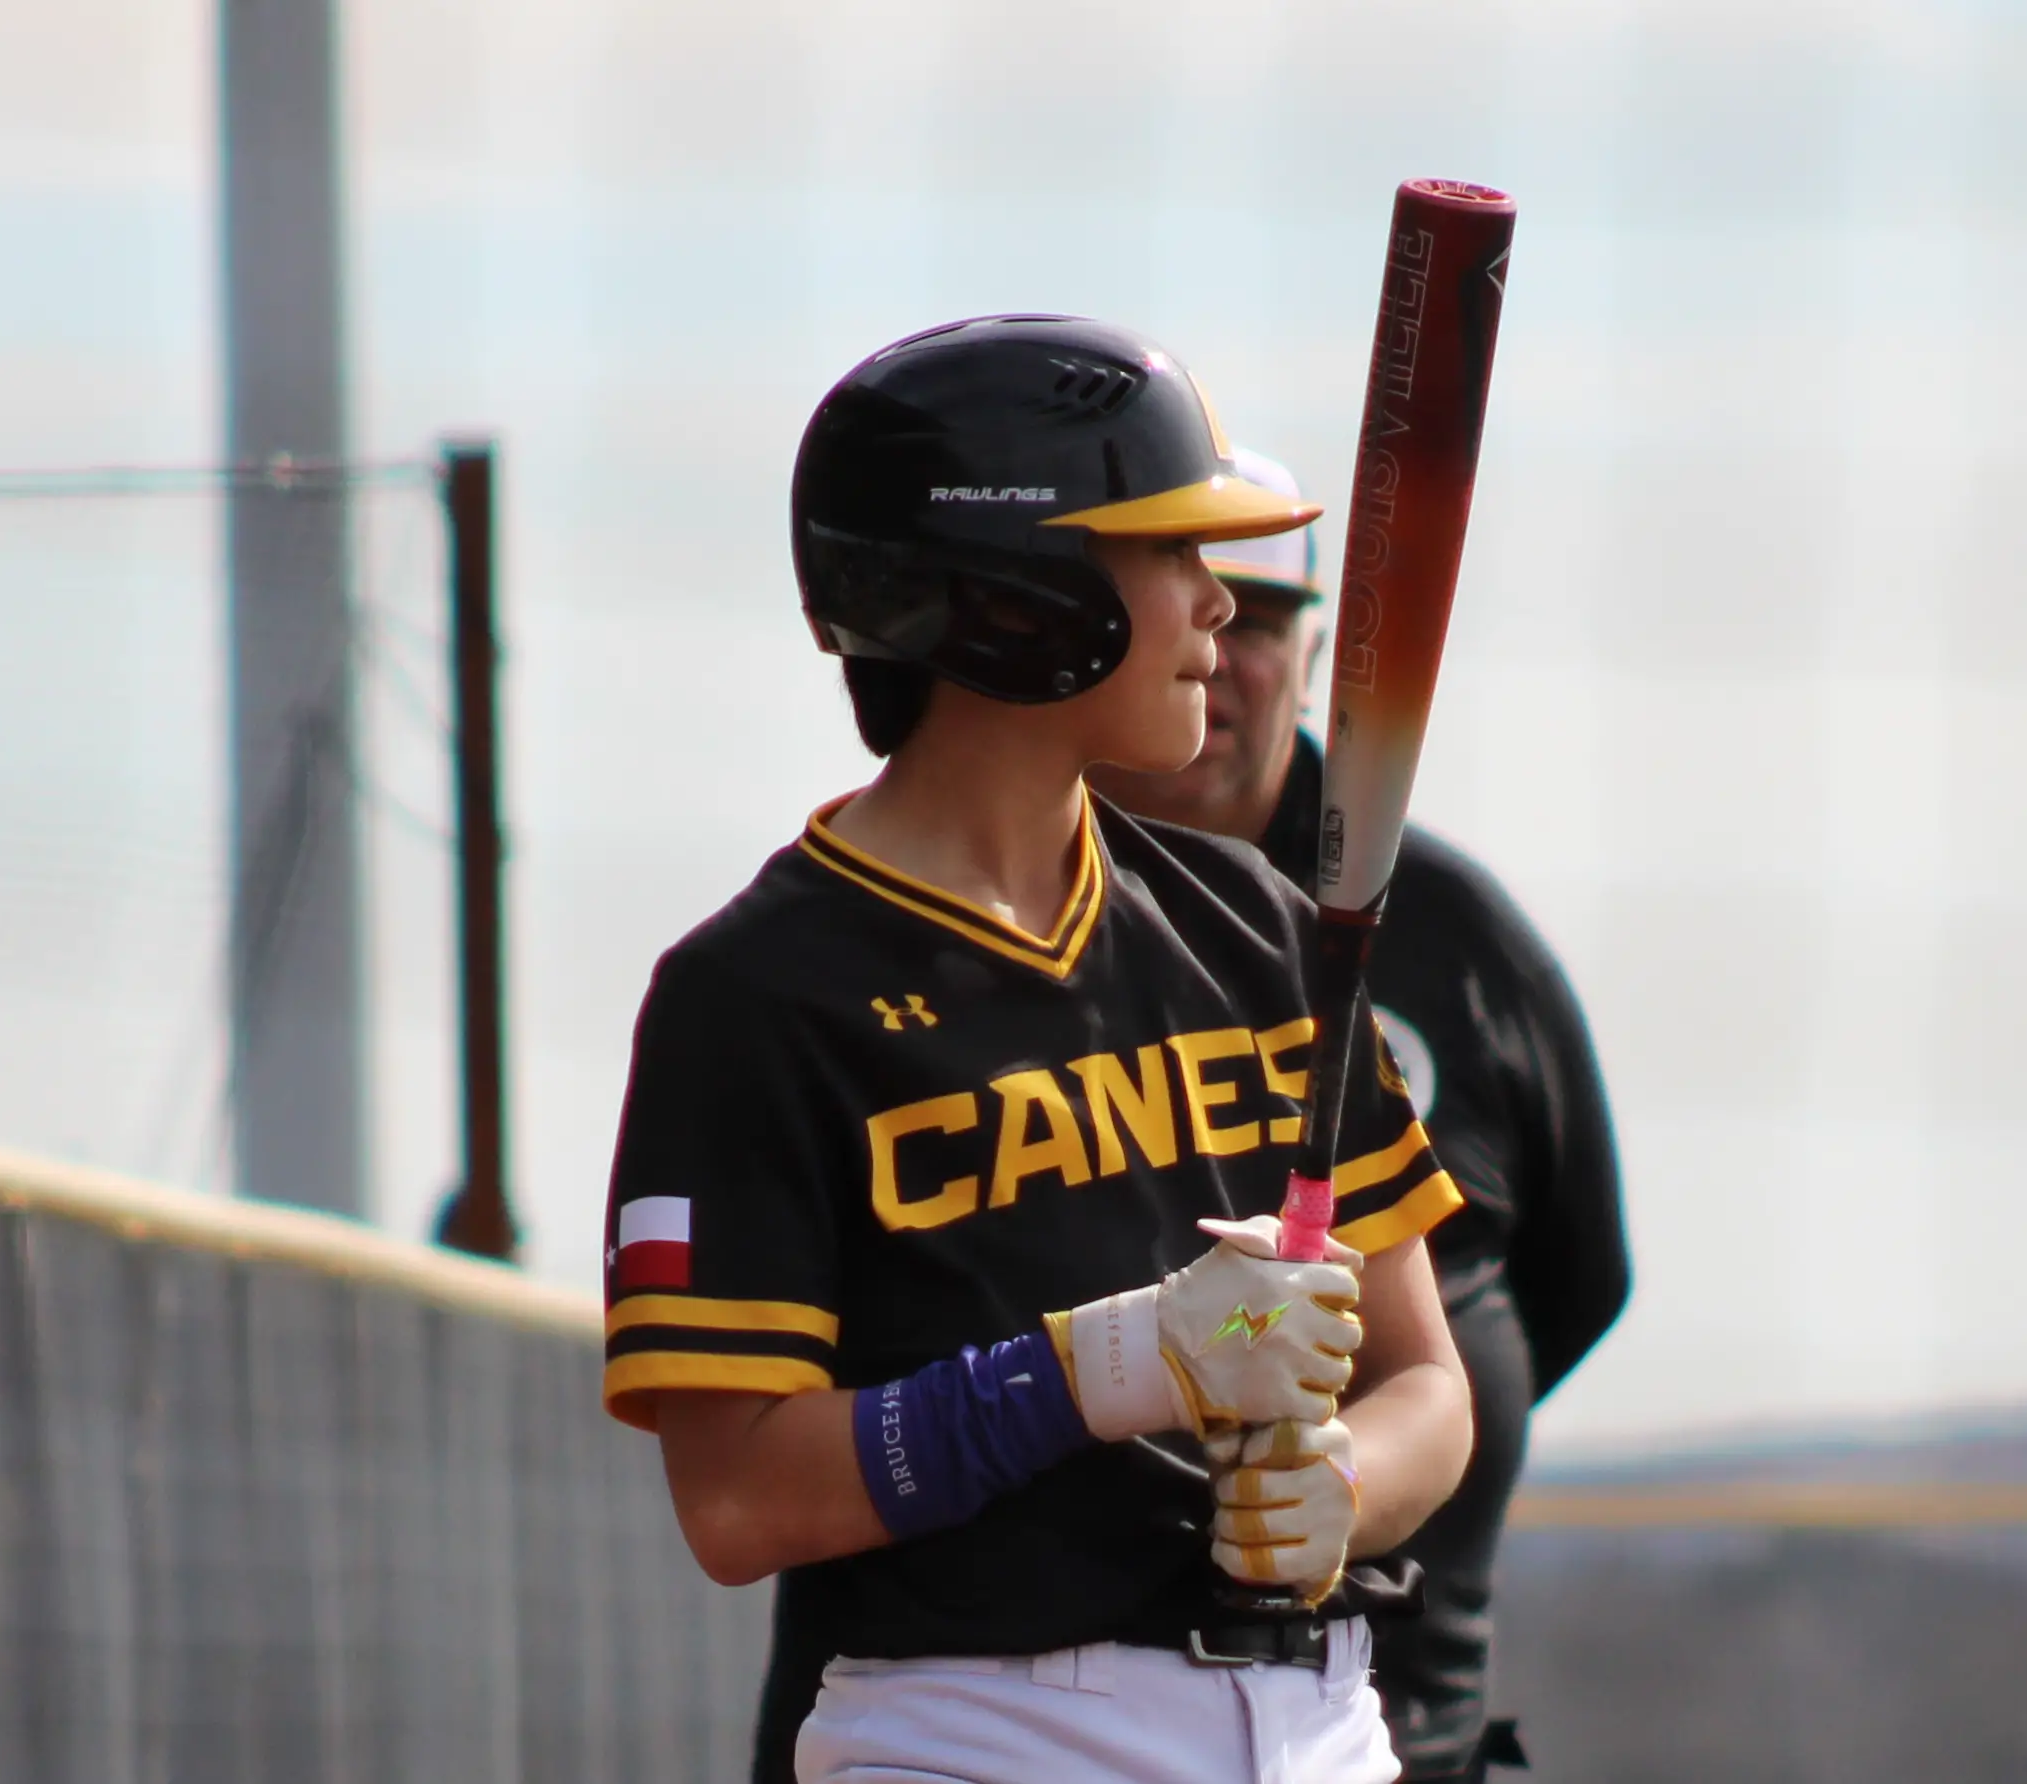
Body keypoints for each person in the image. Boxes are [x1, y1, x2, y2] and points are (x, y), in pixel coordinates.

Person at [606, 315, 1478, 1784]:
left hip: (1324, 1723)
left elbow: (1429, 1389)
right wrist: (1121, 1360)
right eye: (1168, 550)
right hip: (986, 1729)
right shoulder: (754, 994)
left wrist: (1346, 1487)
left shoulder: (1256, 924)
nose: (1218, 601)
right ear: (1015, 594)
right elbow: (739, 1500)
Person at [1090, 450, 1631, 1783]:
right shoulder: (981, 935)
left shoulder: (1450, 937)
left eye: (1259, 621)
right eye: (1188, 608)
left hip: (1398, 1722)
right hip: (1045, 1719)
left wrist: (1386, 1431)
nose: (1218, 655)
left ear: (1315, 657)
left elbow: (1575, 1276)